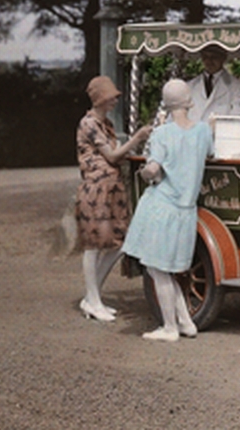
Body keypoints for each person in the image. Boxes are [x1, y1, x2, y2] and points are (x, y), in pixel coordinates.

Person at [122, 79, 214, 342]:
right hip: (186, 210)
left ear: (165, 103)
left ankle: (170, 327)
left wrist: (147, 171)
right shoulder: (203, 132)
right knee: (165, 269)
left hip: (163, 206)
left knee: (157, 269)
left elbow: (153, 168)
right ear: (190, 101)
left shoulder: (162, 134)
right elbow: (208, 153)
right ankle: (185, 322)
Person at [76, 75, 152, 322]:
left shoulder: (104, 123)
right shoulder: (89, 124)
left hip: (111, 188)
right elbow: (112, 155)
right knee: (93, 245)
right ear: (99, 99)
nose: (113, 102)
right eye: (110, 98)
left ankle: (92, 296)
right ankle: (93, 299)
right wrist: (137, 138)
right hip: (97, 187)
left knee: (118, 242)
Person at [187, 44, 240, 122]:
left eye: (214, 57)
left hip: (221, 132)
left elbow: (238, 116)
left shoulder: (237, 87)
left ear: (223, 58)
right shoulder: (190, 85)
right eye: (205, 57)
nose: (209, 61)